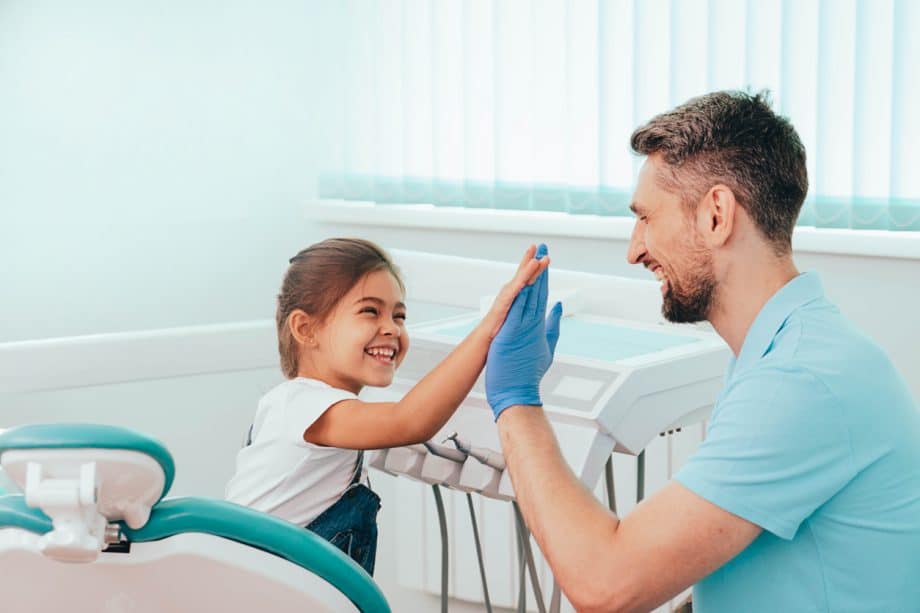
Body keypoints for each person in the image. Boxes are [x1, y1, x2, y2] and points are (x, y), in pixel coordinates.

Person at [485, 91, 920, 612]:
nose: (634, 249)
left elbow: (604, 586)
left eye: (646, 218)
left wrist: (516, 401)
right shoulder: (779, 349)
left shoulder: (801, 381)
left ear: (716, 215)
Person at [225, 237, 549, 575]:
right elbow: (408, 420)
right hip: (251, 589)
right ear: (306, 329)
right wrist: (490, 327)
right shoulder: (305, 406)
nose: (391, 328)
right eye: (370, 311)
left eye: (400, 315)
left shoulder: (302, 405)